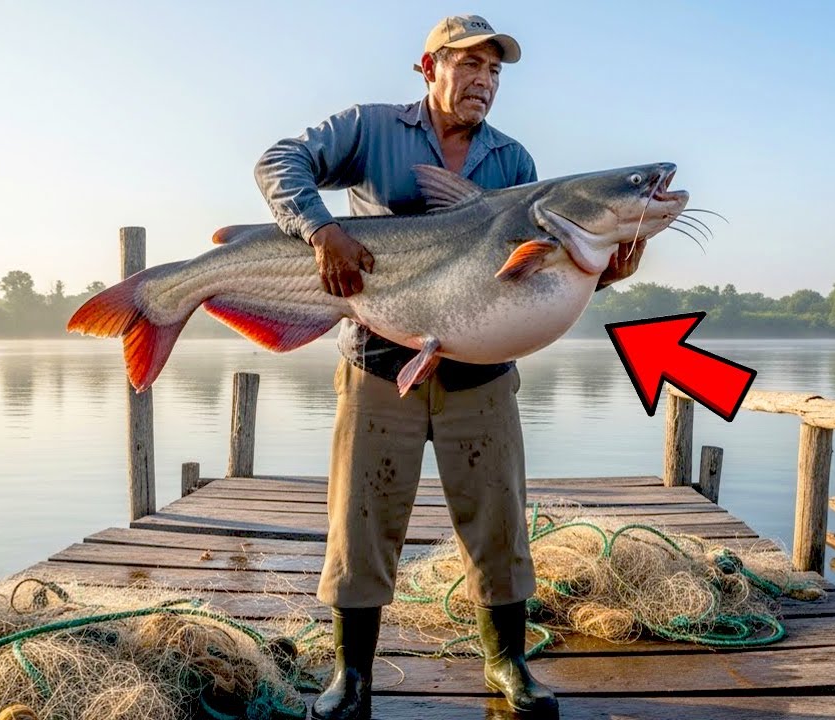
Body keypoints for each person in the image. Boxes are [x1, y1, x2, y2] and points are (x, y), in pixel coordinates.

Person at [255, 14, 644, 719]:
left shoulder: (514, 163)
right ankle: (354, 677)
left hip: (480, 374)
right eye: (469, 66)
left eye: (494, 71)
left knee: (500, 517)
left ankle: (508, 664)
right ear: (428, 66)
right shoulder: (370, 129)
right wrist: (322, 229)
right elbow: (279, 161)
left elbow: (530, 283)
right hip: (379, 363)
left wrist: (606, 274)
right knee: (361, 520)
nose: (484, 82)